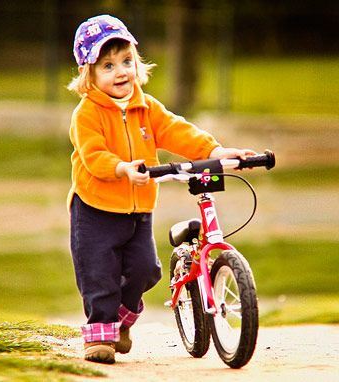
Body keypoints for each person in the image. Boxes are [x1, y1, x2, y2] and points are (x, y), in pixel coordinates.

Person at [66, 14, 255, 364]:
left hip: (137, 209)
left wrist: (214, 152)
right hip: (94, 210)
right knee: (99, 274)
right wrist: (122, 168)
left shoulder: (146, 107)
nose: (120, 71)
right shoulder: (87, 113)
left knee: (146, 269)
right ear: (87, 75)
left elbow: (176, 130)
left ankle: (119, 322)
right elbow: (93, 155)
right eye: (107, 65)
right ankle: (100, 336)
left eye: (126, 61)